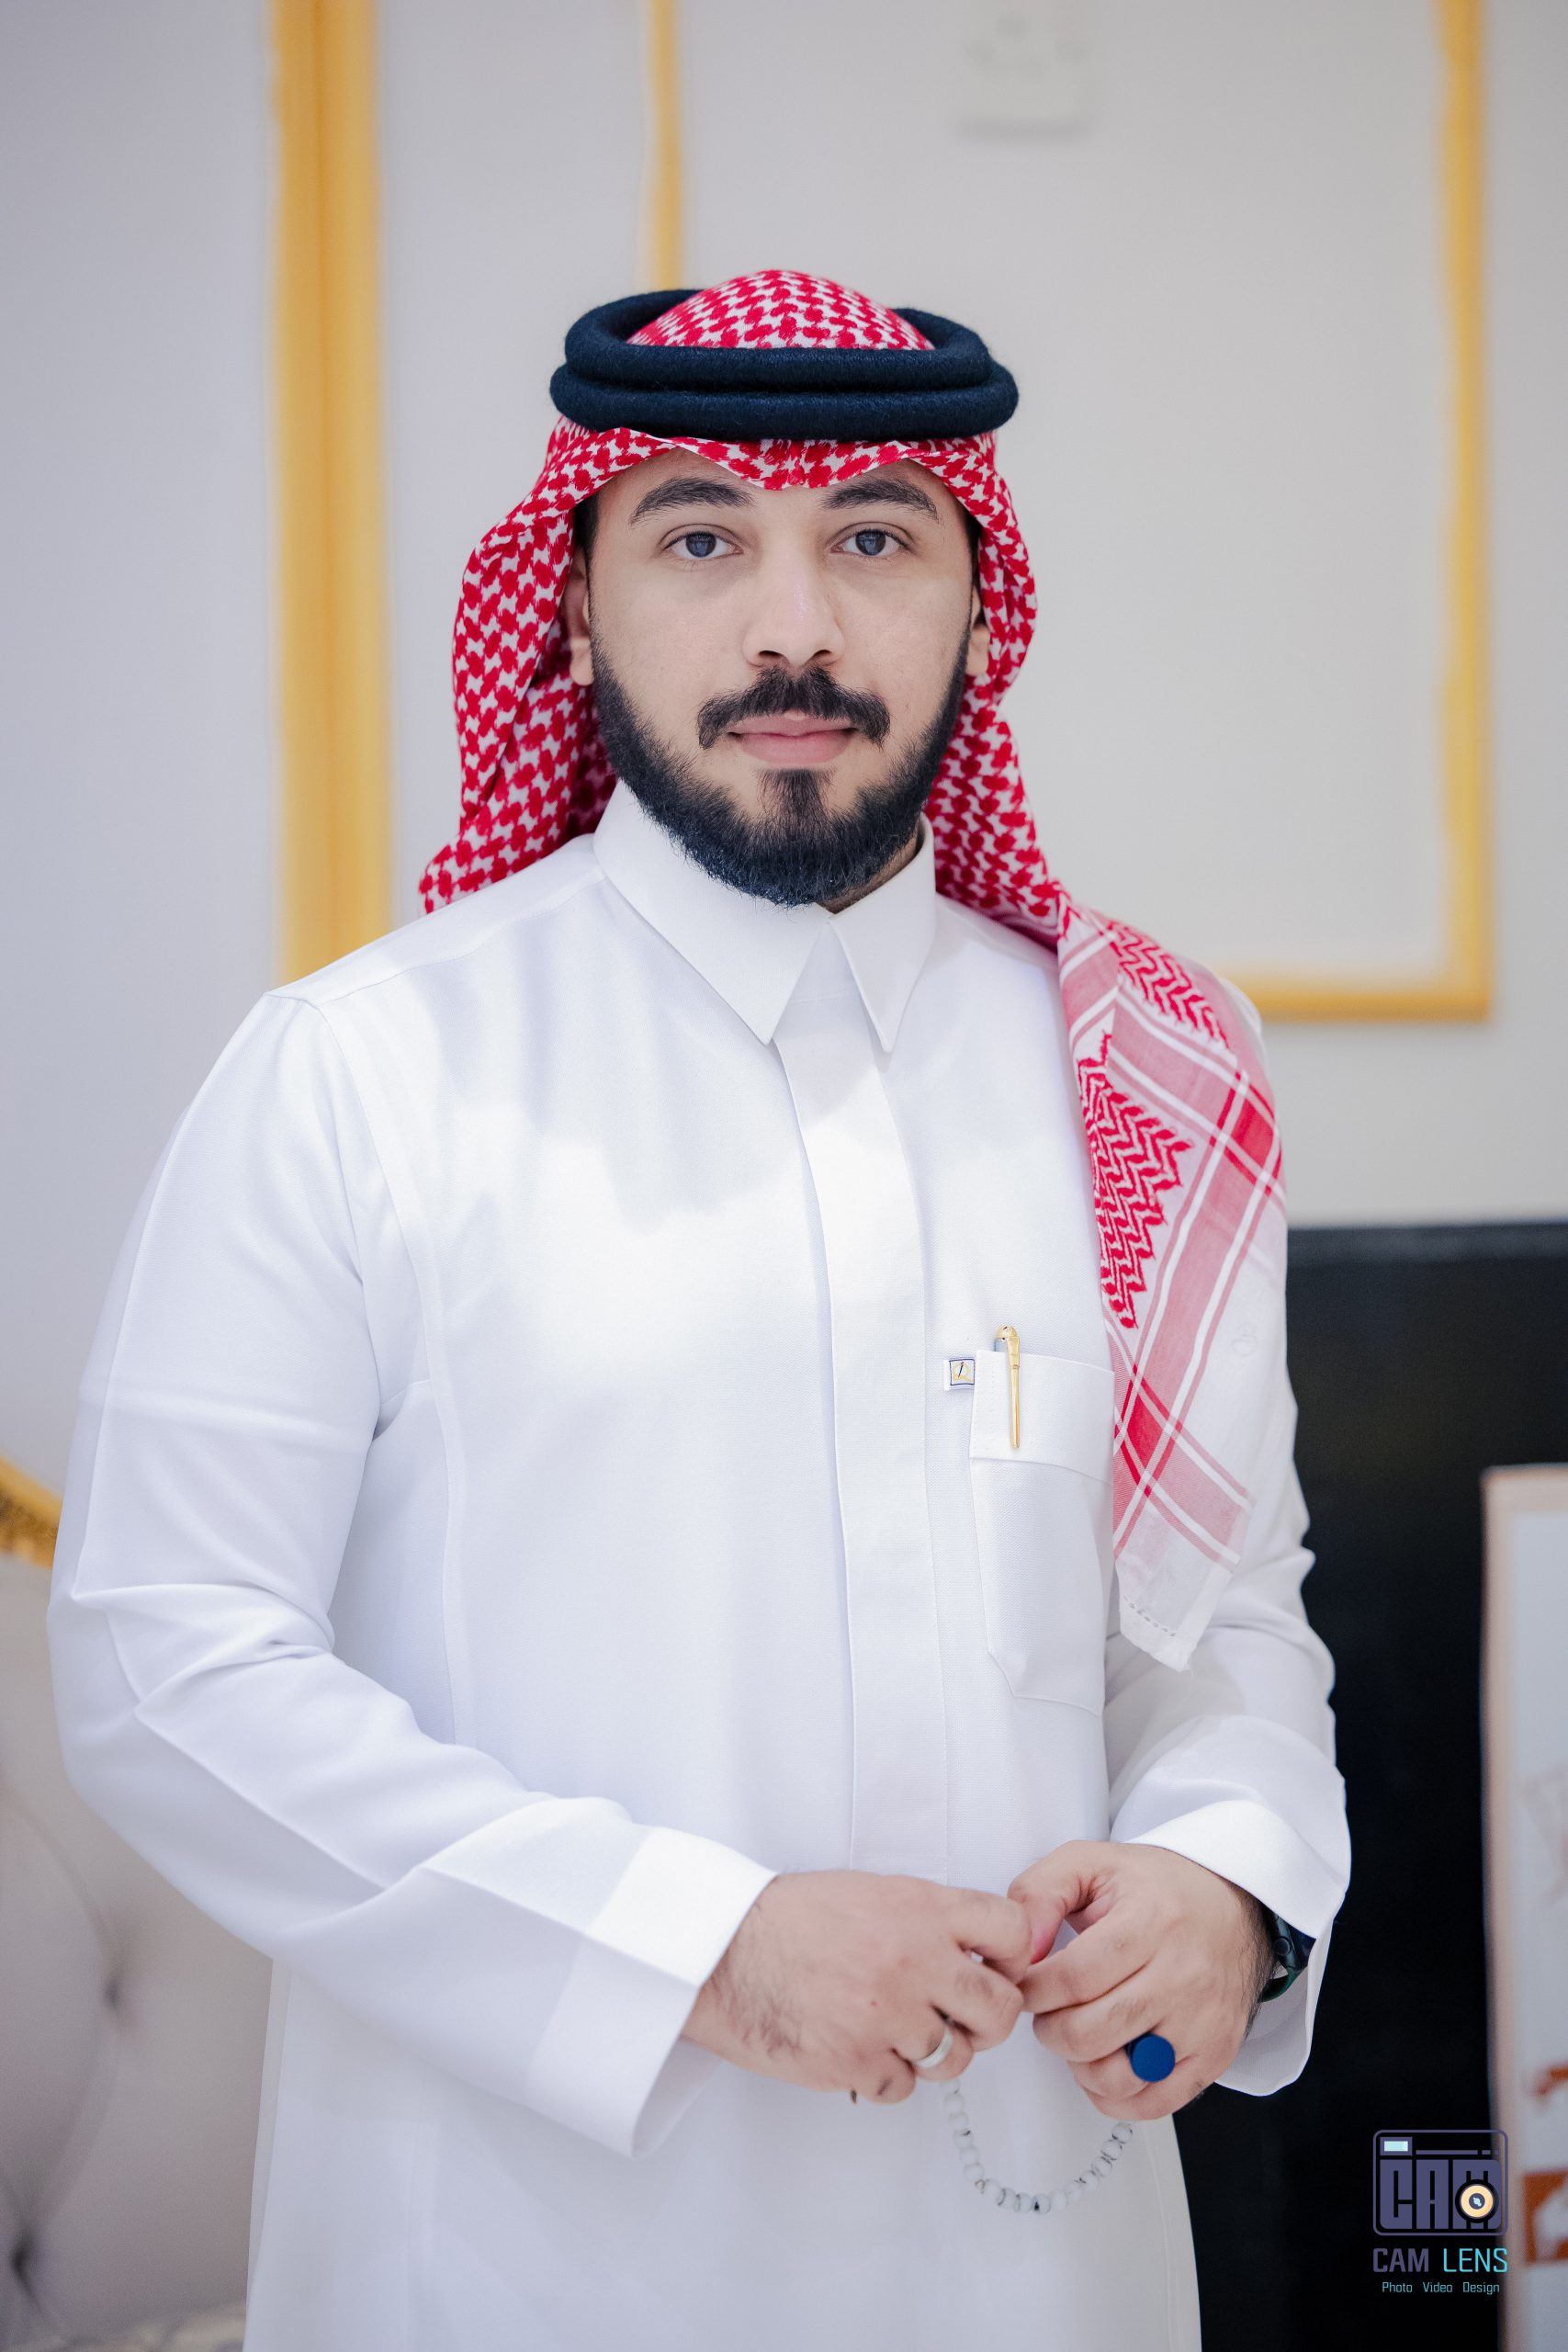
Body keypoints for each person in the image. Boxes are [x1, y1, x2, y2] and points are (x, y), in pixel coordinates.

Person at [49, 270, 1349, 2350]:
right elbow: (165, 1657)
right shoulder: (364, 1069)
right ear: (573, 604)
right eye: (699, 539)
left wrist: (1232, 1871)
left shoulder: (1144, 1075)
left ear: (979, 608)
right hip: (515, 2269)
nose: (790, 629)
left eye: (872, 538)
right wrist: (696, 1951)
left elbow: (1222, 1617)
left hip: (1039, 2267)